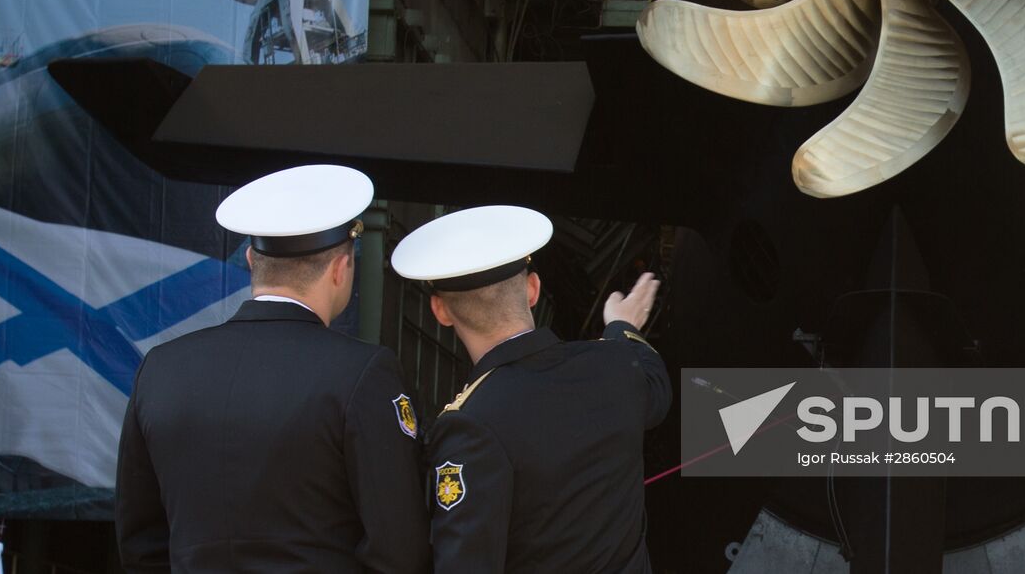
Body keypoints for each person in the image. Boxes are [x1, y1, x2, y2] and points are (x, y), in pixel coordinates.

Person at [115, 165, 430, 573]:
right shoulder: (364, 372)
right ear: (341, 268)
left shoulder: (160, 370)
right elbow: (398, 549)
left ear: (250, 259)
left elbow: (140, 544)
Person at [390, 205, 670, 574]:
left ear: (440, 311)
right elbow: (657, 386)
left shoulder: (471, 423)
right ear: (533, 289)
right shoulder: (616, 366)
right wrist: (620, 326)